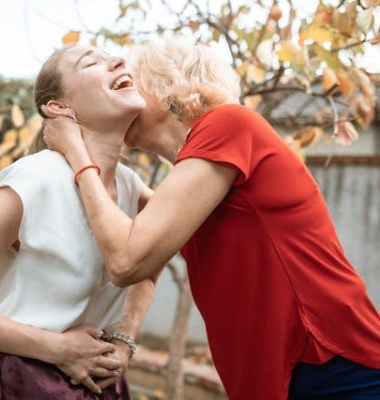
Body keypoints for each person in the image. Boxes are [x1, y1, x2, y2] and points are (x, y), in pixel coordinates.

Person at [42, 39, 380, 399]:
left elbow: (128, 260)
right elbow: (149, 251)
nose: (123, 84)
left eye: (131, 78)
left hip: (330, 365)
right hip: (288, 376)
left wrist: (76, 152)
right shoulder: (191, 177)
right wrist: (124, 338)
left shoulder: (228, 124)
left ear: (166, 84)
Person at [0, 44, 159, 399]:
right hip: (29, 380)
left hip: (101, 378)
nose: (119, 61)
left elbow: (154, 257)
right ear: (59, 107)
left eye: (114, 58)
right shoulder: (34, 179)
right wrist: (58, 349)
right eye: (92, 62)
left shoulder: (131, 186)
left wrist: (124, 341)